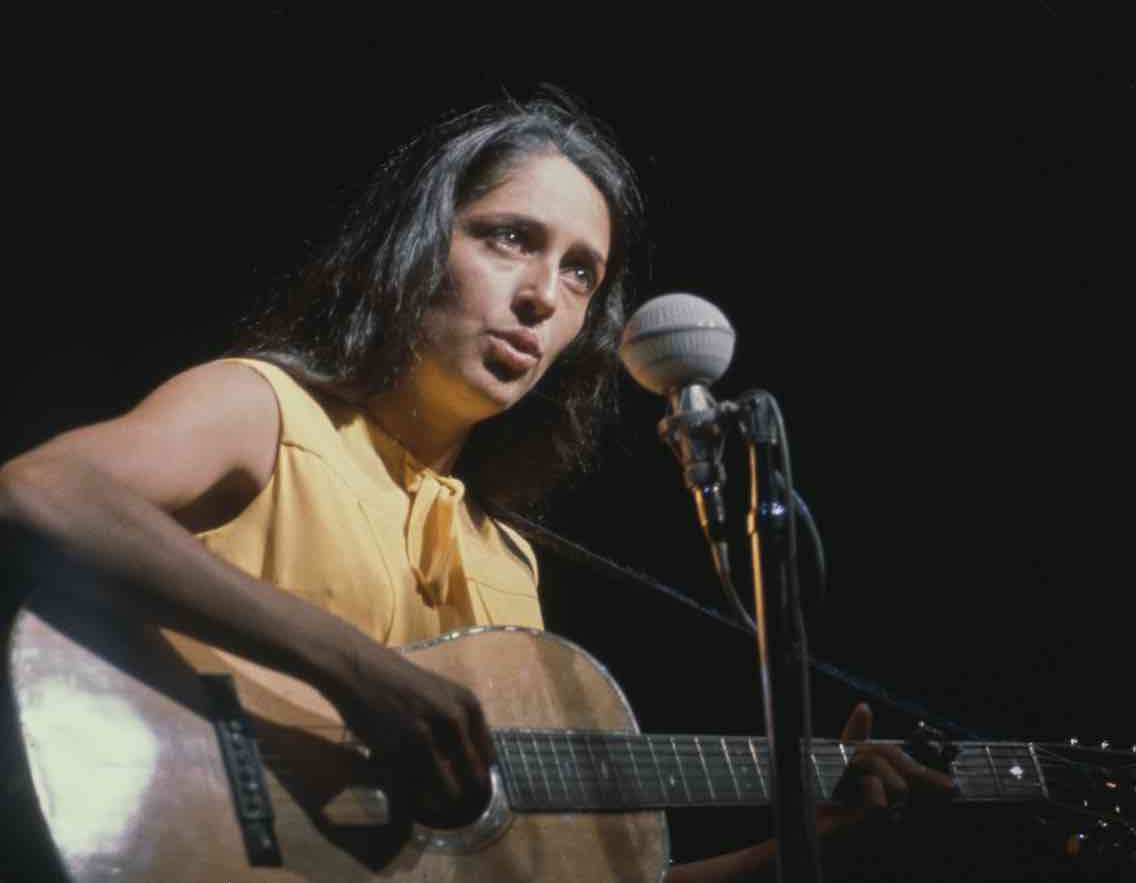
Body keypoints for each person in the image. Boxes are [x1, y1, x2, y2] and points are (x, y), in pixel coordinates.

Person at [0, 92, 954, 881]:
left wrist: (810, 840)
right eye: (509, 238)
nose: (544, 295)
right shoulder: (267, 411)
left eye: (582, 272)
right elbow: (39, 487)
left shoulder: (509, 569)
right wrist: (351, 665)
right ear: (418, 244)